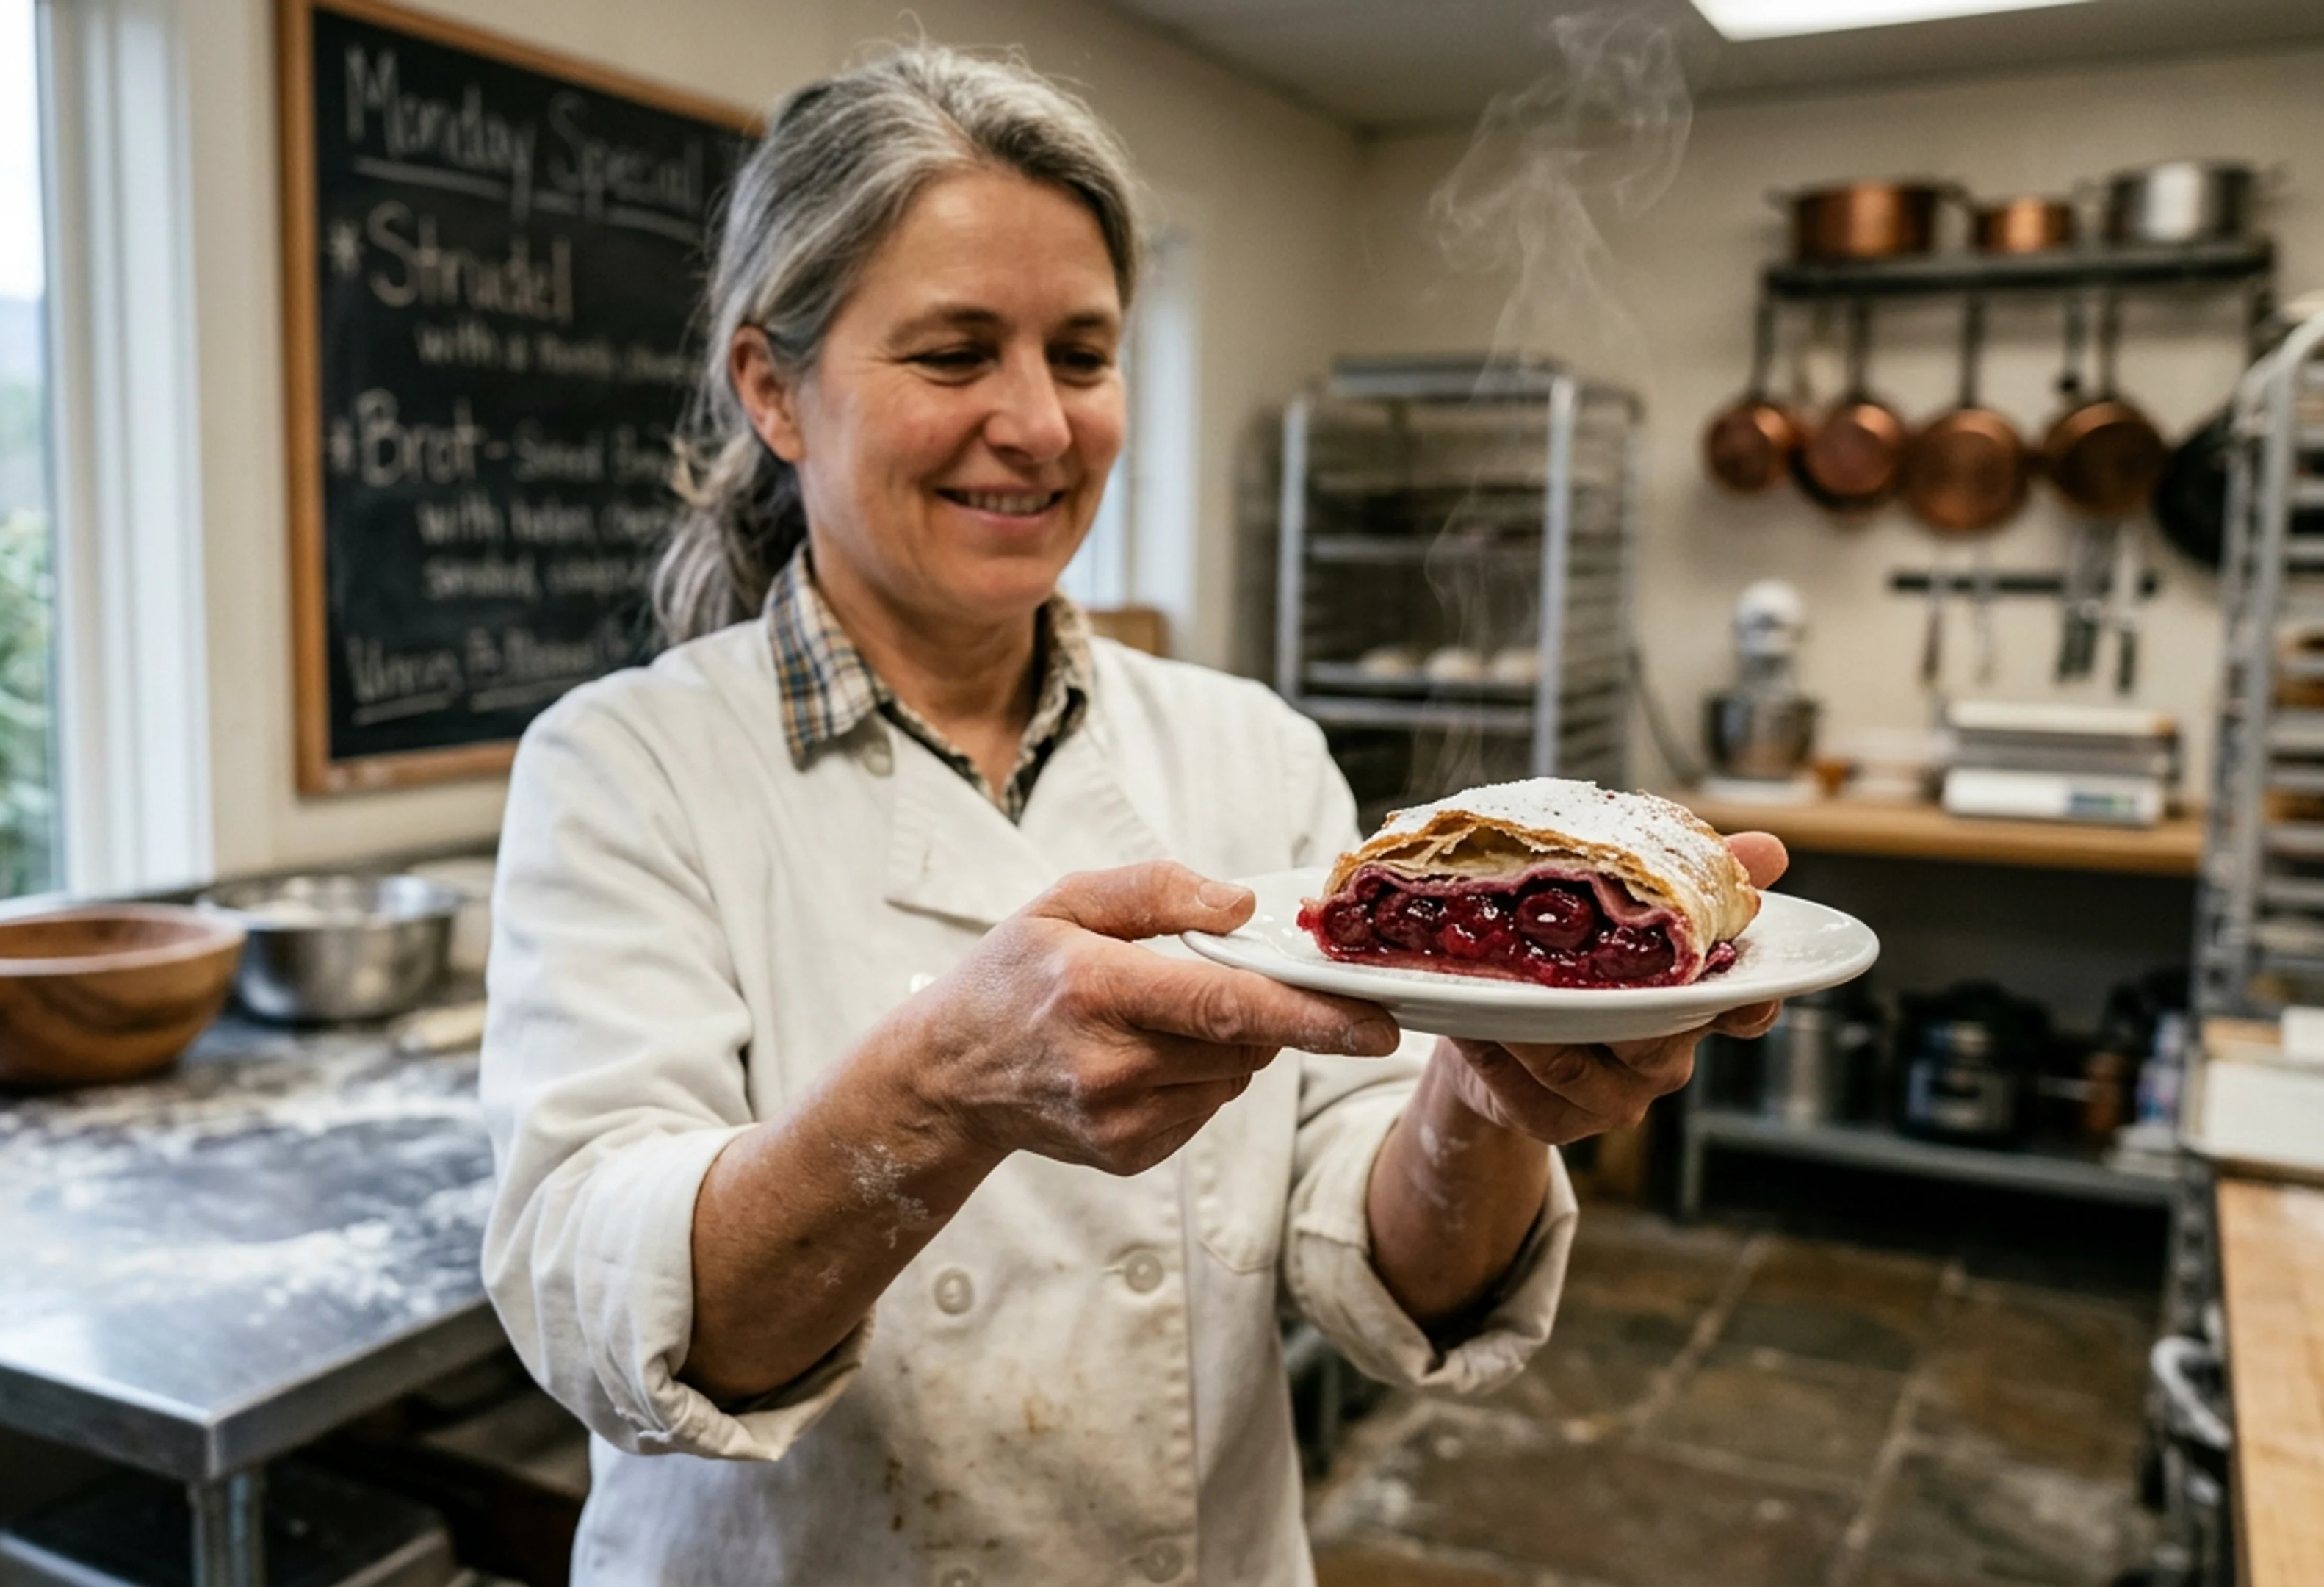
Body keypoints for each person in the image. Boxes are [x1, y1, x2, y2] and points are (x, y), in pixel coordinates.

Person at [479, 43, 1786, 1585]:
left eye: (1082, 357)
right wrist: (937, 1097)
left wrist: (1488, 1106)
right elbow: (599, 1299)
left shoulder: (1250, 750)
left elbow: (1386, 1266)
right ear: (776, 389)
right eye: (957, 355)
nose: (1037, 425)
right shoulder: (627, 766)